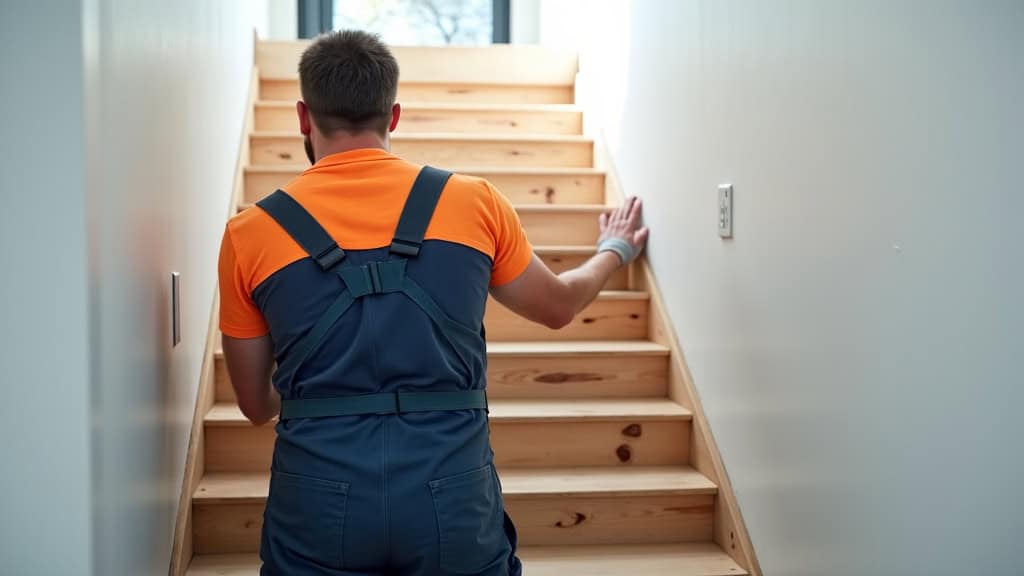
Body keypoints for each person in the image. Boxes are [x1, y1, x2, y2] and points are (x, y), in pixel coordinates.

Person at [218, 30, 649, 576]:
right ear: (393, 115)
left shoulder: (250, 233)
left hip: (318, 497)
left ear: (304, 117)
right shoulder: (474, 202)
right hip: (450, 490)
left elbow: (255, 405)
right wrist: (615, 249)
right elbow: (560, 305)